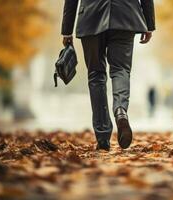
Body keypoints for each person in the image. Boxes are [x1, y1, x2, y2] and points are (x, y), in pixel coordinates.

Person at [61, 0, 156, 151]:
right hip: (125, 15)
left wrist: (67, 29)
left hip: (91, 17)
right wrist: (149, 24)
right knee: (121, 69)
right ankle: (120, 111)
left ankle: (103, 136)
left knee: (96, 75)